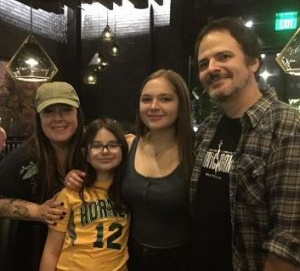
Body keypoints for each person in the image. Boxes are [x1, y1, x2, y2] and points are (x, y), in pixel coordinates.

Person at [190, 17, 300, 271]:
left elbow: (287, 243)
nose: (212, 68)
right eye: (204, 63)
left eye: (224, 56)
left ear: (253, 62)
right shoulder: (208, 128)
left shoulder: (287, 126)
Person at [66, 69, 194, 270]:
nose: (153, 106)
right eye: (146, 99)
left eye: (165, 99)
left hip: (182, 260)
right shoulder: (128, 145)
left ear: (181, 104)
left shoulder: (195, 151)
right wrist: (74, 176)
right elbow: (97, 169)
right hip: (130, 257)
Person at [0, 81, 84, 271]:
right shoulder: (22, 159)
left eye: (65, 109)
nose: (58, 118)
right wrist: (38, 211)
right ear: (39, 118)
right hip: (33, 255)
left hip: (87, 256)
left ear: (77, 113)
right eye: (49, 111)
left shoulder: (92, 149)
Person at [40, 118, 129, 271]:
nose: (105, 151)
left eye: (113, 145)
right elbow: (51, 251)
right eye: (96, 146)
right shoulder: (70, 193)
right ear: (86, 154)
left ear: (123, 150)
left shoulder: (129, 191)